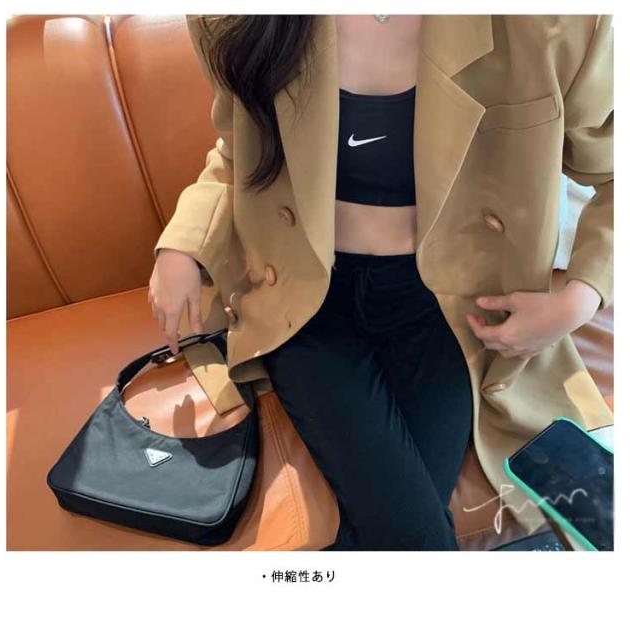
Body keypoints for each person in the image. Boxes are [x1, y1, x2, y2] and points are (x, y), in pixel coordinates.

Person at [149, 15, 614, 550]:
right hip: (306, 301)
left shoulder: (559, 24)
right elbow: (238, 151)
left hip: (451, 309)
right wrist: (183, 245)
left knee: (403, 530)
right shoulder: (239, 20)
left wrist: (579, 299)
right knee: (409, 533)